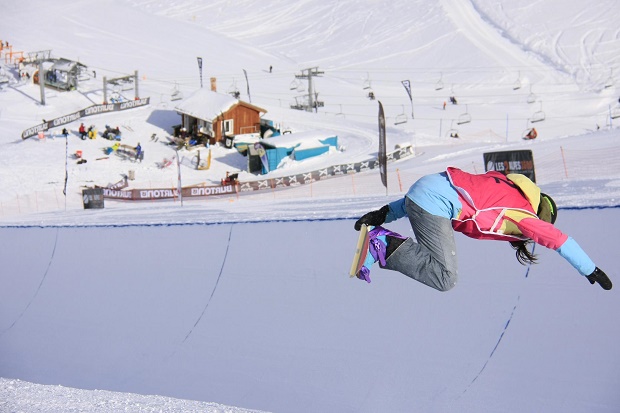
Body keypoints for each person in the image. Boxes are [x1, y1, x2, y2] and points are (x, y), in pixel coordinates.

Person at [353, 166, 612, 291]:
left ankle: (381, 250)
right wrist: (590, 269)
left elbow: (425, 193)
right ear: (541, 215)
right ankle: (383, 245)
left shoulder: (504, 186)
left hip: (426, 189)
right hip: (437, 204)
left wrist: (383, 214)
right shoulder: (524, 213)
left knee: (439, 269)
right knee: (446, 278)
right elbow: (558, 240)